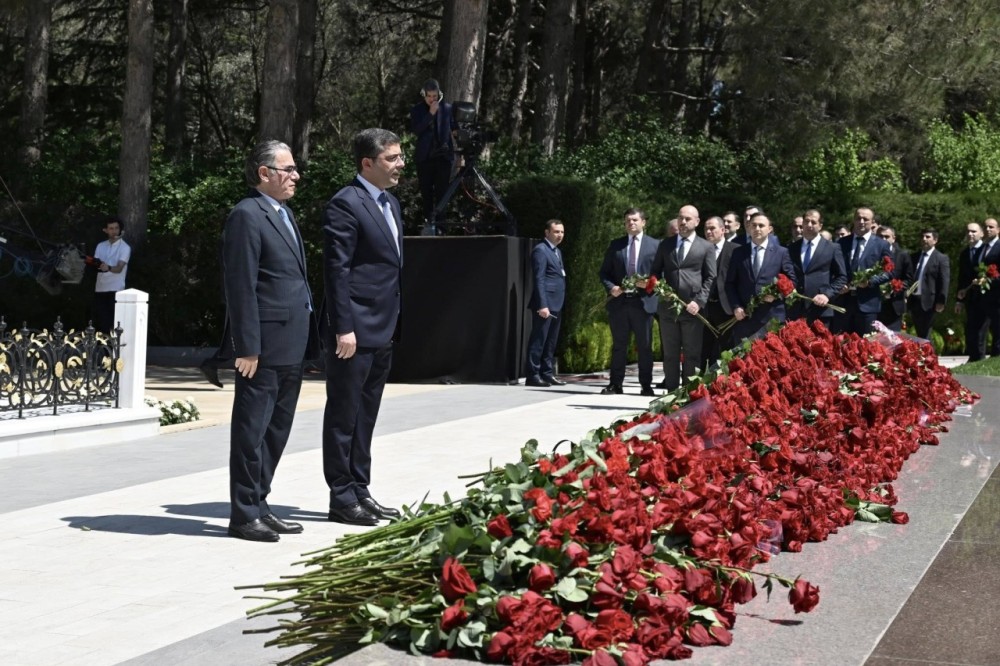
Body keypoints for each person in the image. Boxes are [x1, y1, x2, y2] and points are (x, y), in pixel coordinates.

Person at [223, 140, 317, 543]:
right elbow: (240, 284)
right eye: (288, 169)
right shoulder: (247, 214)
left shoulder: (284, 213)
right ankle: (244, 514)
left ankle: (260, 503)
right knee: (252, 430)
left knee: (276, 429)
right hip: (262, 346)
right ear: (265, 173)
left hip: (291, 340)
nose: (296, 176)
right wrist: (246, 345)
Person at [321, 128, 404, 527]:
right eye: (391, 158)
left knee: (366, 414)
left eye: (400, 157)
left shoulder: (391, 203)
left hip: (383, 327)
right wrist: (343, 327)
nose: (400, 164)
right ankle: (341, 496)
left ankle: (360, 488)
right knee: (344, 414)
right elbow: (337, 270)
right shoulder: (345, 203)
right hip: (354, 329)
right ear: (367, 163)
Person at [650, 205, 716, 391]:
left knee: (692, 354)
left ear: (697, 221)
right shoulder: (666, 244)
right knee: (670, 354)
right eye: (680, 218)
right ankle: (670, 394)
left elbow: (711, 277)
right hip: (668, 309)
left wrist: (699, 301)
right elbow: (654, 272)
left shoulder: (706, 247)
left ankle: (689, 394)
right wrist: (659, 288)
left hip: (692, 309)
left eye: (687, 218)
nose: (683, 222)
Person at [598, 208, 660, 396]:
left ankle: (646, 385)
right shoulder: (616, 245)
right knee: (619, 345)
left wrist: (649, 284)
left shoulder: (655, 245)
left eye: (634, 220)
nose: (631, 223)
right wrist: (612, 287)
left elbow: (661, 274)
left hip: (643, 303)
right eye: (627, 221)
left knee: (644, 346)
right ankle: (615, 384)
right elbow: (604, 273)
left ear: (643, 222)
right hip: (620, 304)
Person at [725, 213, 795, 344]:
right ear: (749, 228)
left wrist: (777, 294)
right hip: (745, 318)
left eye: (761, 225)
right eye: (754, 225)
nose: (757, 228)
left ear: (769, 229)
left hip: (771, 317)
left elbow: (792, 281)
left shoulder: (781, 252)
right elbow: (730, 283)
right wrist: (736, 306)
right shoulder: (739, 253)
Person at [835, 207, 891, 336]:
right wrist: (838, 285)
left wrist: (869, 282)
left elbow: (889, 272)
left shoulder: (881, 245)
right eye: (858, 218)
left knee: (866, 346)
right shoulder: (841, 243)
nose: (861, 221)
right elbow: (833, 268)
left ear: (872, 222)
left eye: (865, 219)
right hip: (843, 302)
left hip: (867, 304)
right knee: (842, 344)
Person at [787, 209, 848, 327]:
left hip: (820, 309)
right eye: (806, 221)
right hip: (795, 309)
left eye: (813, 222)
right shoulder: (792, 248)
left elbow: (842, 277)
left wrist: (827, 294)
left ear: (820, 226)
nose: (809, 225)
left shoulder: (832, 248)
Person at [525, 219, 567, 387]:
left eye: (562, 232)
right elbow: (539, 279)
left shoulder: (557, 252)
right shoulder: (541, 251)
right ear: (547, 232)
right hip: (546, 304)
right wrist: (543, 304)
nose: (560, 235)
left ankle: (547, 373)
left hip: (557, 303)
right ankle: (533, 375)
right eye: (556, 232)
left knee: (551, 341)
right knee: (539, 339)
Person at [410, 78, 455, 225]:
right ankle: (429, 225)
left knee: (442, 194)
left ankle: (441, 226)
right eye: (429, 96)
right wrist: (430, 114)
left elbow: (453, 129)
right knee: (426, 194)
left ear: (439, 95)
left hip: (443, 157)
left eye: (434, 96)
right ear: (424, 95)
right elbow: (417, 130)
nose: (432, 99)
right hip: (425, 158)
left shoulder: (447, 108)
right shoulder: (417, 110)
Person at [700, 216, 737, 370]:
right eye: (706, 229)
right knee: (703, 351)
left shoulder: (735, 250)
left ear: (722, 230)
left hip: (726, 309)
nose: (708, 232)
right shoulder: (700, 249)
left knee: (726, 352)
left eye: (712, 228)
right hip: (704, 309)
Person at [907, 228, 950, 340]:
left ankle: (928, 356)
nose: (924, 239)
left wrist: (941, 301)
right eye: (922, 237)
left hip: (929, 301)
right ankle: (924, 355)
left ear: (935, 240)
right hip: (914, 300)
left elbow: (944, 281)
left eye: (927, 237)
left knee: (926, 332)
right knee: (919, 332)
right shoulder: (914, 257)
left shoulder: (941, 258)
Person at [92, 217, 131, 334]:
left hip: (115, 289)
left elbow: (119, 268)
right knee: (100, 323)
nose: (114, 231)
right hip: (100, 288)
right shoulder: (100, 246)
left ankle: (112, 350)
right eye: (111, 228)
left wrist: (108, 267)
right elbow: (95, 263)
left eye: (116, 228)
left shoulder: (125, 247)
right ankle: (102, 350)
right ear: (105, 230)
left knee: (113, 323)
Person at [955, 221, 986, 361]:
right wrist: (959, 300)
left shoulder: (986, 250)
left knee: (982, 330)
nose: (970, 234)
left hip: (987, 296)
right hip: (971, 297)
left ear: (981, 233)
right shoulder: (964, 253)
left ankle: (980, 357)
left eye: (973, 231)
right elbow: (962, 278)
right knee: (971, 328)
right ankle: (974, 357)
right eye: (968, 231)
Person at [876, 225, 913, 332]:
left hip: (894, 304)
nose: (883, 239)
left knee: (892, 340)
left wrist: (892, 288)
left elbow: (909, 279)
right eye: (880, 236)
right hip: (873, 304)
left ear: (893, 238)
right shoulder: (871, 253)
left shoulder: (902, 255)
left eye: (886, 237)